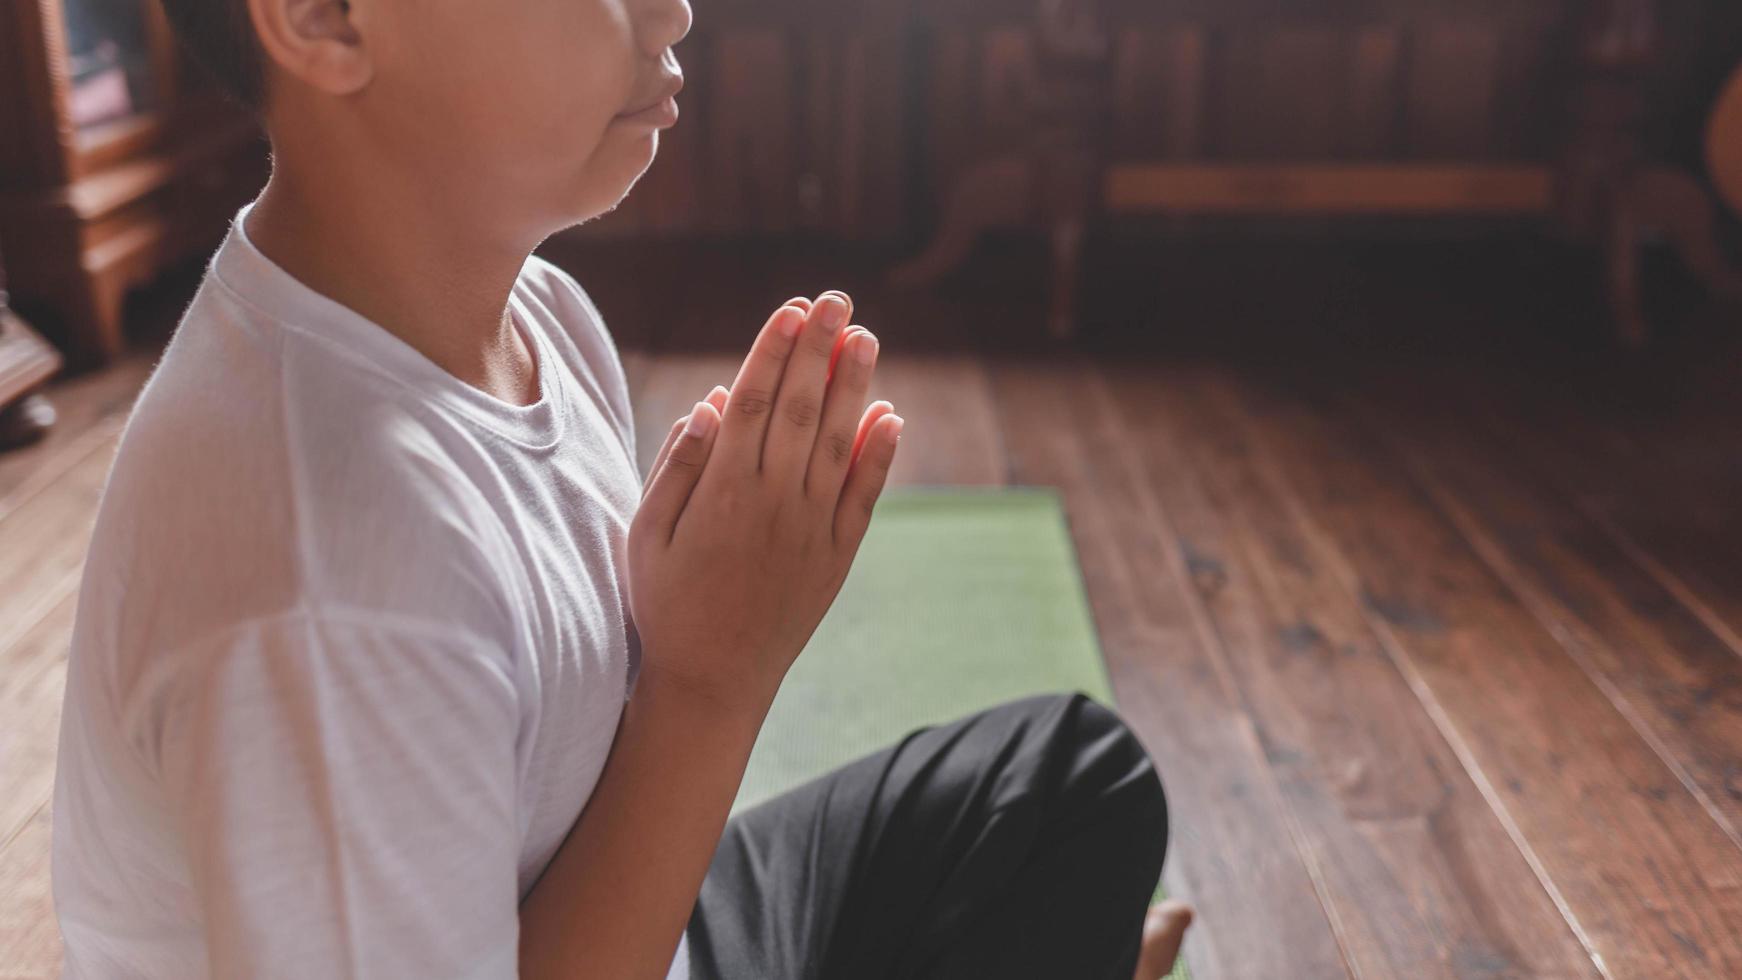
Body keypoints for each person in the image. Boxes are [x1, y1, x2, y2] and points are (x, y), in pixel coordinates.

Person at [50, 0, 1192, 976]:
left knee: (1069, 780)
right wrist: (711, 679)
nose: (672, 11)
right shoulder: (329, 582)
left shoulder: (534, 311)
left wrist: (687, 625)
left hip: (634, 934)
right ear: (323, 17)